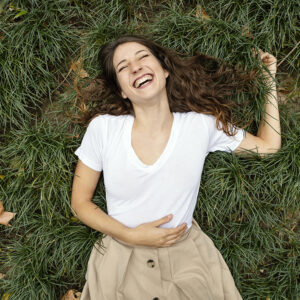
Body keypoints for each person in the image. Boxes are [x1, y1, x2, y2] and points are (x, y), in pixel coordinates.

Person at [71, 35, 281, 300]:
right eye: (123, 67)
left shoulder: (201, 125)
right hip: (122, 257)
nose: (135, 66)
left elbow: (268, 146)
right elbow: (80, 202)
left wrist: (267, 80)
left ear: (165, 70)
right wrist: (131, 235)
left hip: (185, 257)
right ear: (122, 90)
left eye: (143, 57)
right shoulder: (103, 129)